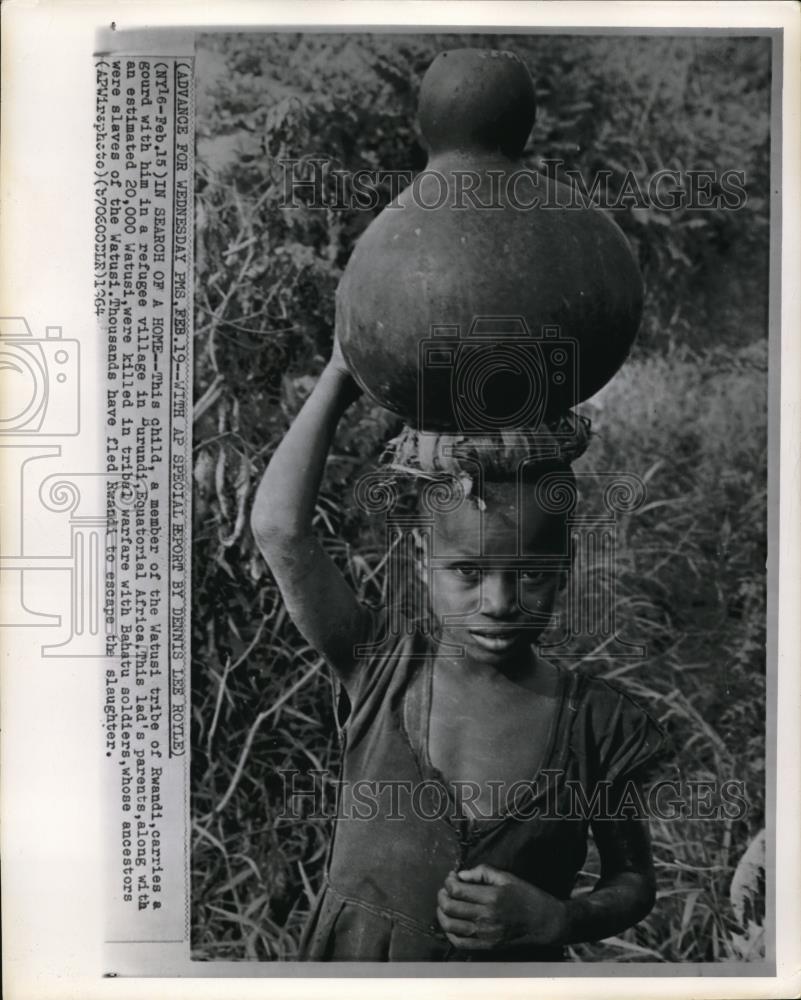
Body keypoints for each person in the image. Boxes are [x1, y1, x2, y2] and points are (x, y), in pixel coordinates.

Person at [251, 340, 666, 962]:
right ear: (424, 563)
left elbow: (632, 882)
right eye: (468, 572)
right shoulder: (379, 668)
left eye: (530, 575)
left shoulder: (599, 725)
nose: (498, 602)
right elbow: (280, 531)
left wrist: (560, 918)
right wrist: (341, 371)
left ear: (564, 568)